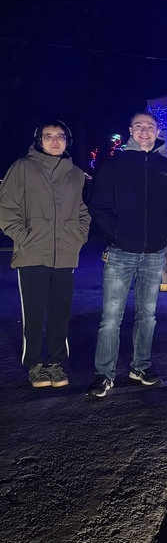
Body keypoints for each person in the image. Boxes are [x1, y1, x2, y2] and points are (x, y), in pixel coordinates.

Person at [87, 112, 167, 398]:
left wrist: (165, 232)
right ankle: (104, 374)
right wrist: (118, 233)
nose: (144, 131)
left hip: (154, 252)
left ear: (157, 132)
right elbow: (98, 205)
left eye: (149, 126)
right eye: (138, 126)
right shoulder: (114, 165)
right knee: (110, 318)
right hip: (119, 252)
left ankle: (140, 367)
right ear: (130, 130)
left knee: (147, 315)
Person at [0, 121, 90, 388]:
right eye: (48, 136)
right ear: (39, 140)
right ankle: (35, 365)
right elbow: (6, 208)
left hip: (65, 254)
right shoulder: (23, 167)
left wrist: (78, 237)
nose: (54, 141)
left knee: (60, 312)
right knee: (34, 313)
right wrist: (24, 237)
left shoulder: (75, 173)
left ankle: (55, 363)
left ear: (67, 141)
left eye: (59, 136)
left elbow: (82, 210)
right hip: (32, 254)